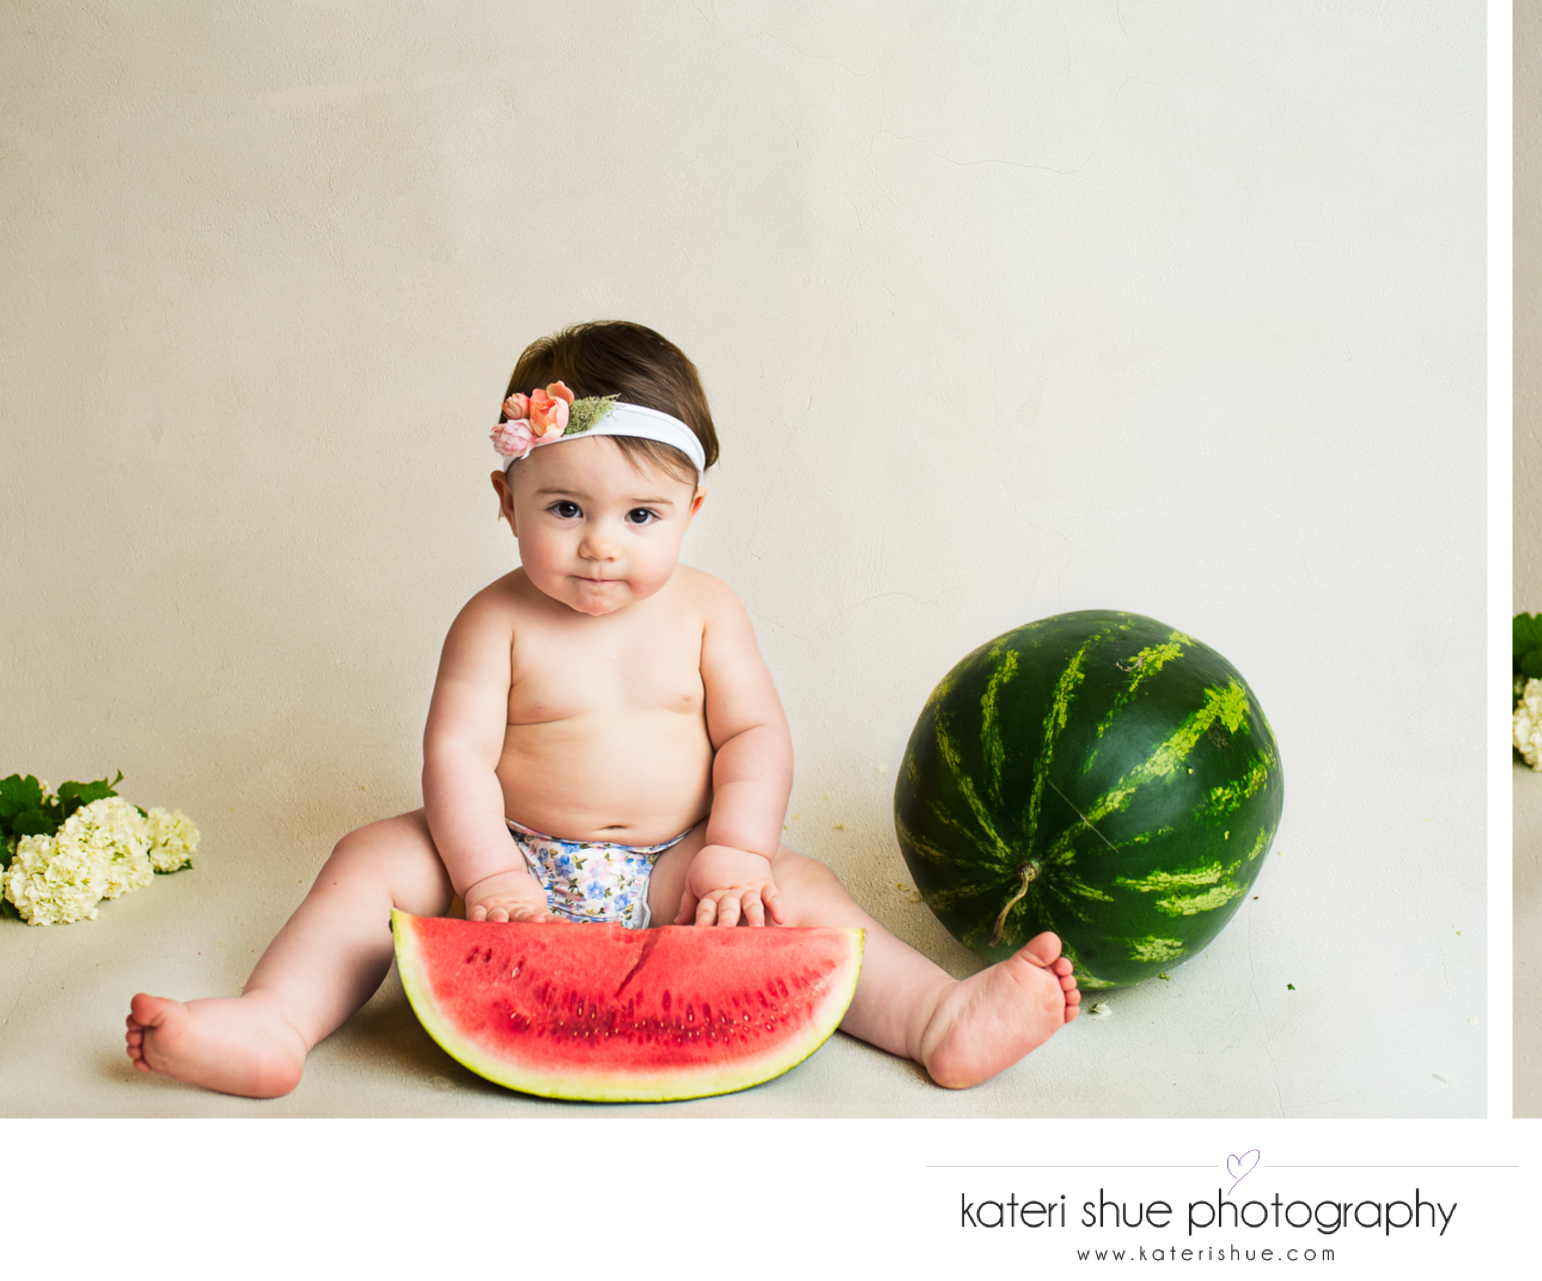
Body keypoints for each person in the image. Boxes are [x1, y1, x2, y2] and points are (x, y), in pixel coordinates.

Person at [129, 320, 1078, 1096]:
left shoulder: (710, 612)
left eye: (640, 516)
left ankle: (934, 1018)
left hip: (678, 867)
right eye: (565, 510)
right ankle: (277, 1019)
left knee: (807, 891)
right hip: (509, 855)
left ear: (691, 512)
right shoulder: (491, 621)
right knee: (369, 858)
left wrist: (737, 849)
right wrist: (487, 871)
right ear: (507, 498)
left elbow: (753, 734)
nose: (600, 547)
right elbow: (456, 758)